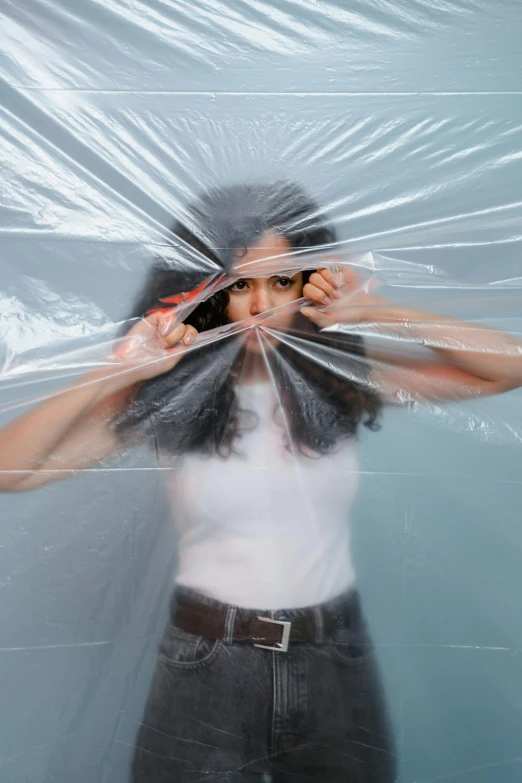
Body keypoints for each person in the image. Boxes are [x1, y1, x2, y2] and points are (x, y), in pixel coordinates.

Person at [1, 182, 521, 783]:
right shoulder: (170, 400)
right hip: (207, 661)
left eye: (281, 282)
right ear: (203, 292)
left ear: (309, 284)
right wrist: (121, 369)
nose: (259, 307)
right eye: (239, 284)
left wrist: (376, 311)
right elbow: (13, 471)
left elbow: (502, 370)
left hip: (334, 657)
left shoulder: (341, 381)